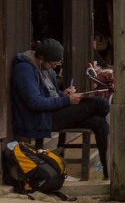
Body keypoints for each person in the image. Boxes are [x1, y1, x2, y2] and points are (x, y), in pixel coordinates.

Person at [11, 39, 110, 179]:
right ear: (42, 57)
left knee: (99, 122)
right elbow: (35, 103)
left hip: (53, 112)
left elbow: (53, 94)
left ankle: (107, 170)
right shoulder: (24, 69)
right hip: (41, 118)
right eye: (52, 63)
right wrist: (66, 100)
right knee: (100, 105)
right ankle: (120, 129)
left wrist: (63, 94)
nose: (54, 66)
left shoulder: (47, 69)